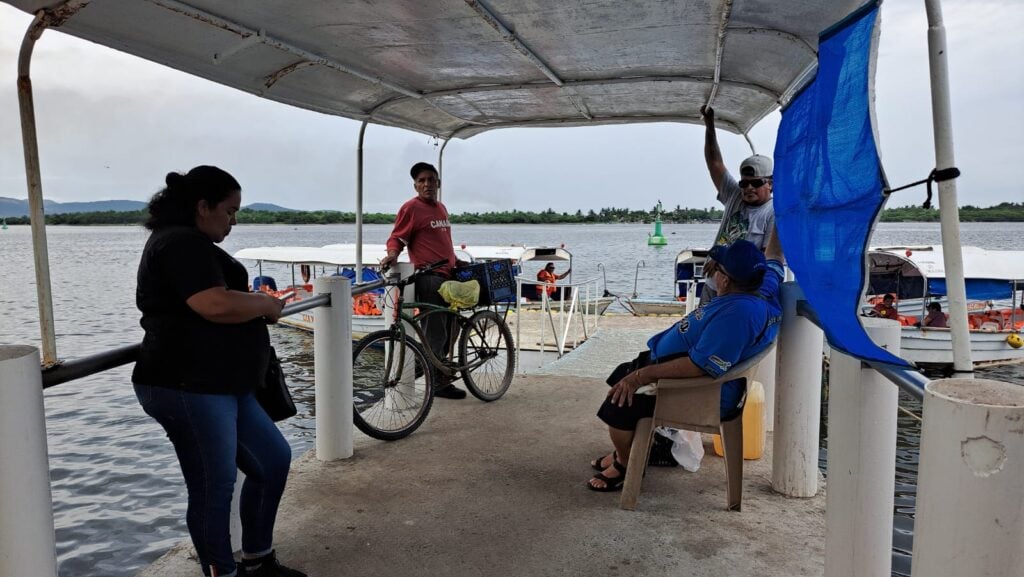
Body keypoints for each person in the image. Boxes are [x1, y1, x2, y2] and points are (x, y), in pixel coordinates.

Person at [132, 166, 305, 577]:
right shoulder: (179, 244)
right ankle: (221, 572)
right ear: (202, 206)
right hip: (186, 384)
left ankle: (257, 560)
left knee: (273, 460)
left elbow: (220, 297)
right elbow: (213, 304)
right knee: (214, 485)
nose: (234, 220)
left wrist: (250, 302)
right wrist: (263, 304)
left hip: (224, 384)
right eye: (229, 211)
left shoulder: (194, 243)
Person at [587, 228, 785, 491]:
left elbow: (699, 366)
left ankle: (626, 463)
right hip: (672, 367)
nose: (712, 271)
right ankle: (630, 450)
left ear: (725, 280)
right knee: (621, 374)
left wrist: (641, 377)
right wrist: (783, 211)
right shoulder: (762, 285)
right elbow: (774, 256)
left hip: (701, 394)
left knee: (617, 404)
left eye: (717, 268)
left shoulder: (738, 315)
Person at [380, 162, 467, 399]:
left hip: (449, 275)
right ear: (416, 185)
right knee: (436, 331)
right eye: (422, 181)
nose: (427, 184)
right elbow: (397, 237)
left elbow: (442, 242)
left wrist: (455, 260)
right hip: (429, 279)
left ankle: (435, 367)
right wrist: (392, 254)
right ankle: (437, 382)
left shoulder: (441, 208)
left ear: (438, 183)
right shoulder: (411, 208)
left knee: (455, 324)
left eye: (431, 179)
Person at [699, 105, 775, 303]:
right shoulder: (734, 195)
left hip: (737, 295)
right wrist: (709, 126)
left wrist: (722, 258)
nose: (748, 188)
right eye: (744, 183)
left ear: (771, 184)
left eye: (756, 183)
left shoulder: (773, 214)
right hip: (711, 286)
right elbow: (714, 163)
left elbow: (764, 257)